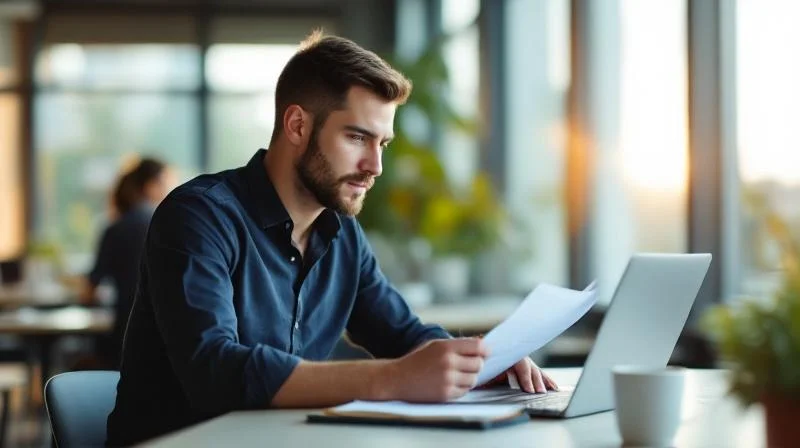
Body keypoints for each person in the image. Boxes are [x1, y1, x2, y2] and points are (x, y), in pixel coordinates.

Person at [107, 32, 557, 446]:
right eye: (358, 137)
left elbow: (403, 335)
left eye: (383, 143)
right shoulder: (199, 216)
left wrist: (478, 363)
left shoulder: (342, 235)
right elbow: (215, 372)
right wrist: (391, 379)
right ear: (298, 126)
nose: (375, 165)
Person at [81, 158, 175, 369]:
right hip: (168, 339)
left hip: (124, 338)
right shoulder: (169, 226)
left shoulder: (114, 229)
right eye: (166, 183)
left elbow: (87, 292)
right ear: (151, 186)